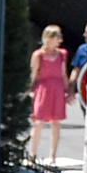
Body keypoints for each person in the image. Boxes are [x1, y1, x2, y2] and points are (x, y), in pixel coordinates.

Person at [30, 25, 70, 162]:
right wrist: (30, 91)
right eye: (56, 37)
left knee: (56, 123)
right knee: (38, 122)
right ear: (48, 38)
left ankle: (53, 155)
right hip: (43, 88)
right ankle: (32, 154)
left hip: (57, 88)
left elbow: (64, 74)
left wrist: (67, 91)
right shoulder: (38, 55)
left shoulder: (62, 54)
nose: (59, 40)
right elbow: (34, 74)